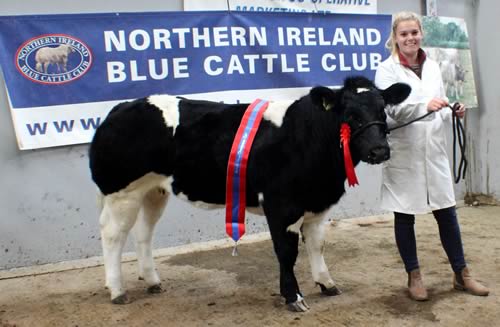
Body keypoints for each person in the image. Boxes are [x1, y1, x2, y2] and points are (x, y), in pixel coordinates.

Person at [374, 11, 489, 301]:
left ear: (421, 33)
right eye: (404, 34)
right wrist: (425, 105)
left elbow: (441, 103)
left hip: (434, 150)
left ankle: (462, 274)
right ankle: (414, 276)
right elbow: (392, 111)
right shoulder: (386, 70)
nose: (410, 38)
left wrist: (454, 110)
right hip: (404, 152)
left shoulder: (434, 66)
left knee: (447, 212)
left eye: (414, 32)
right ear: (395, 38)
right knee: (405, 215)